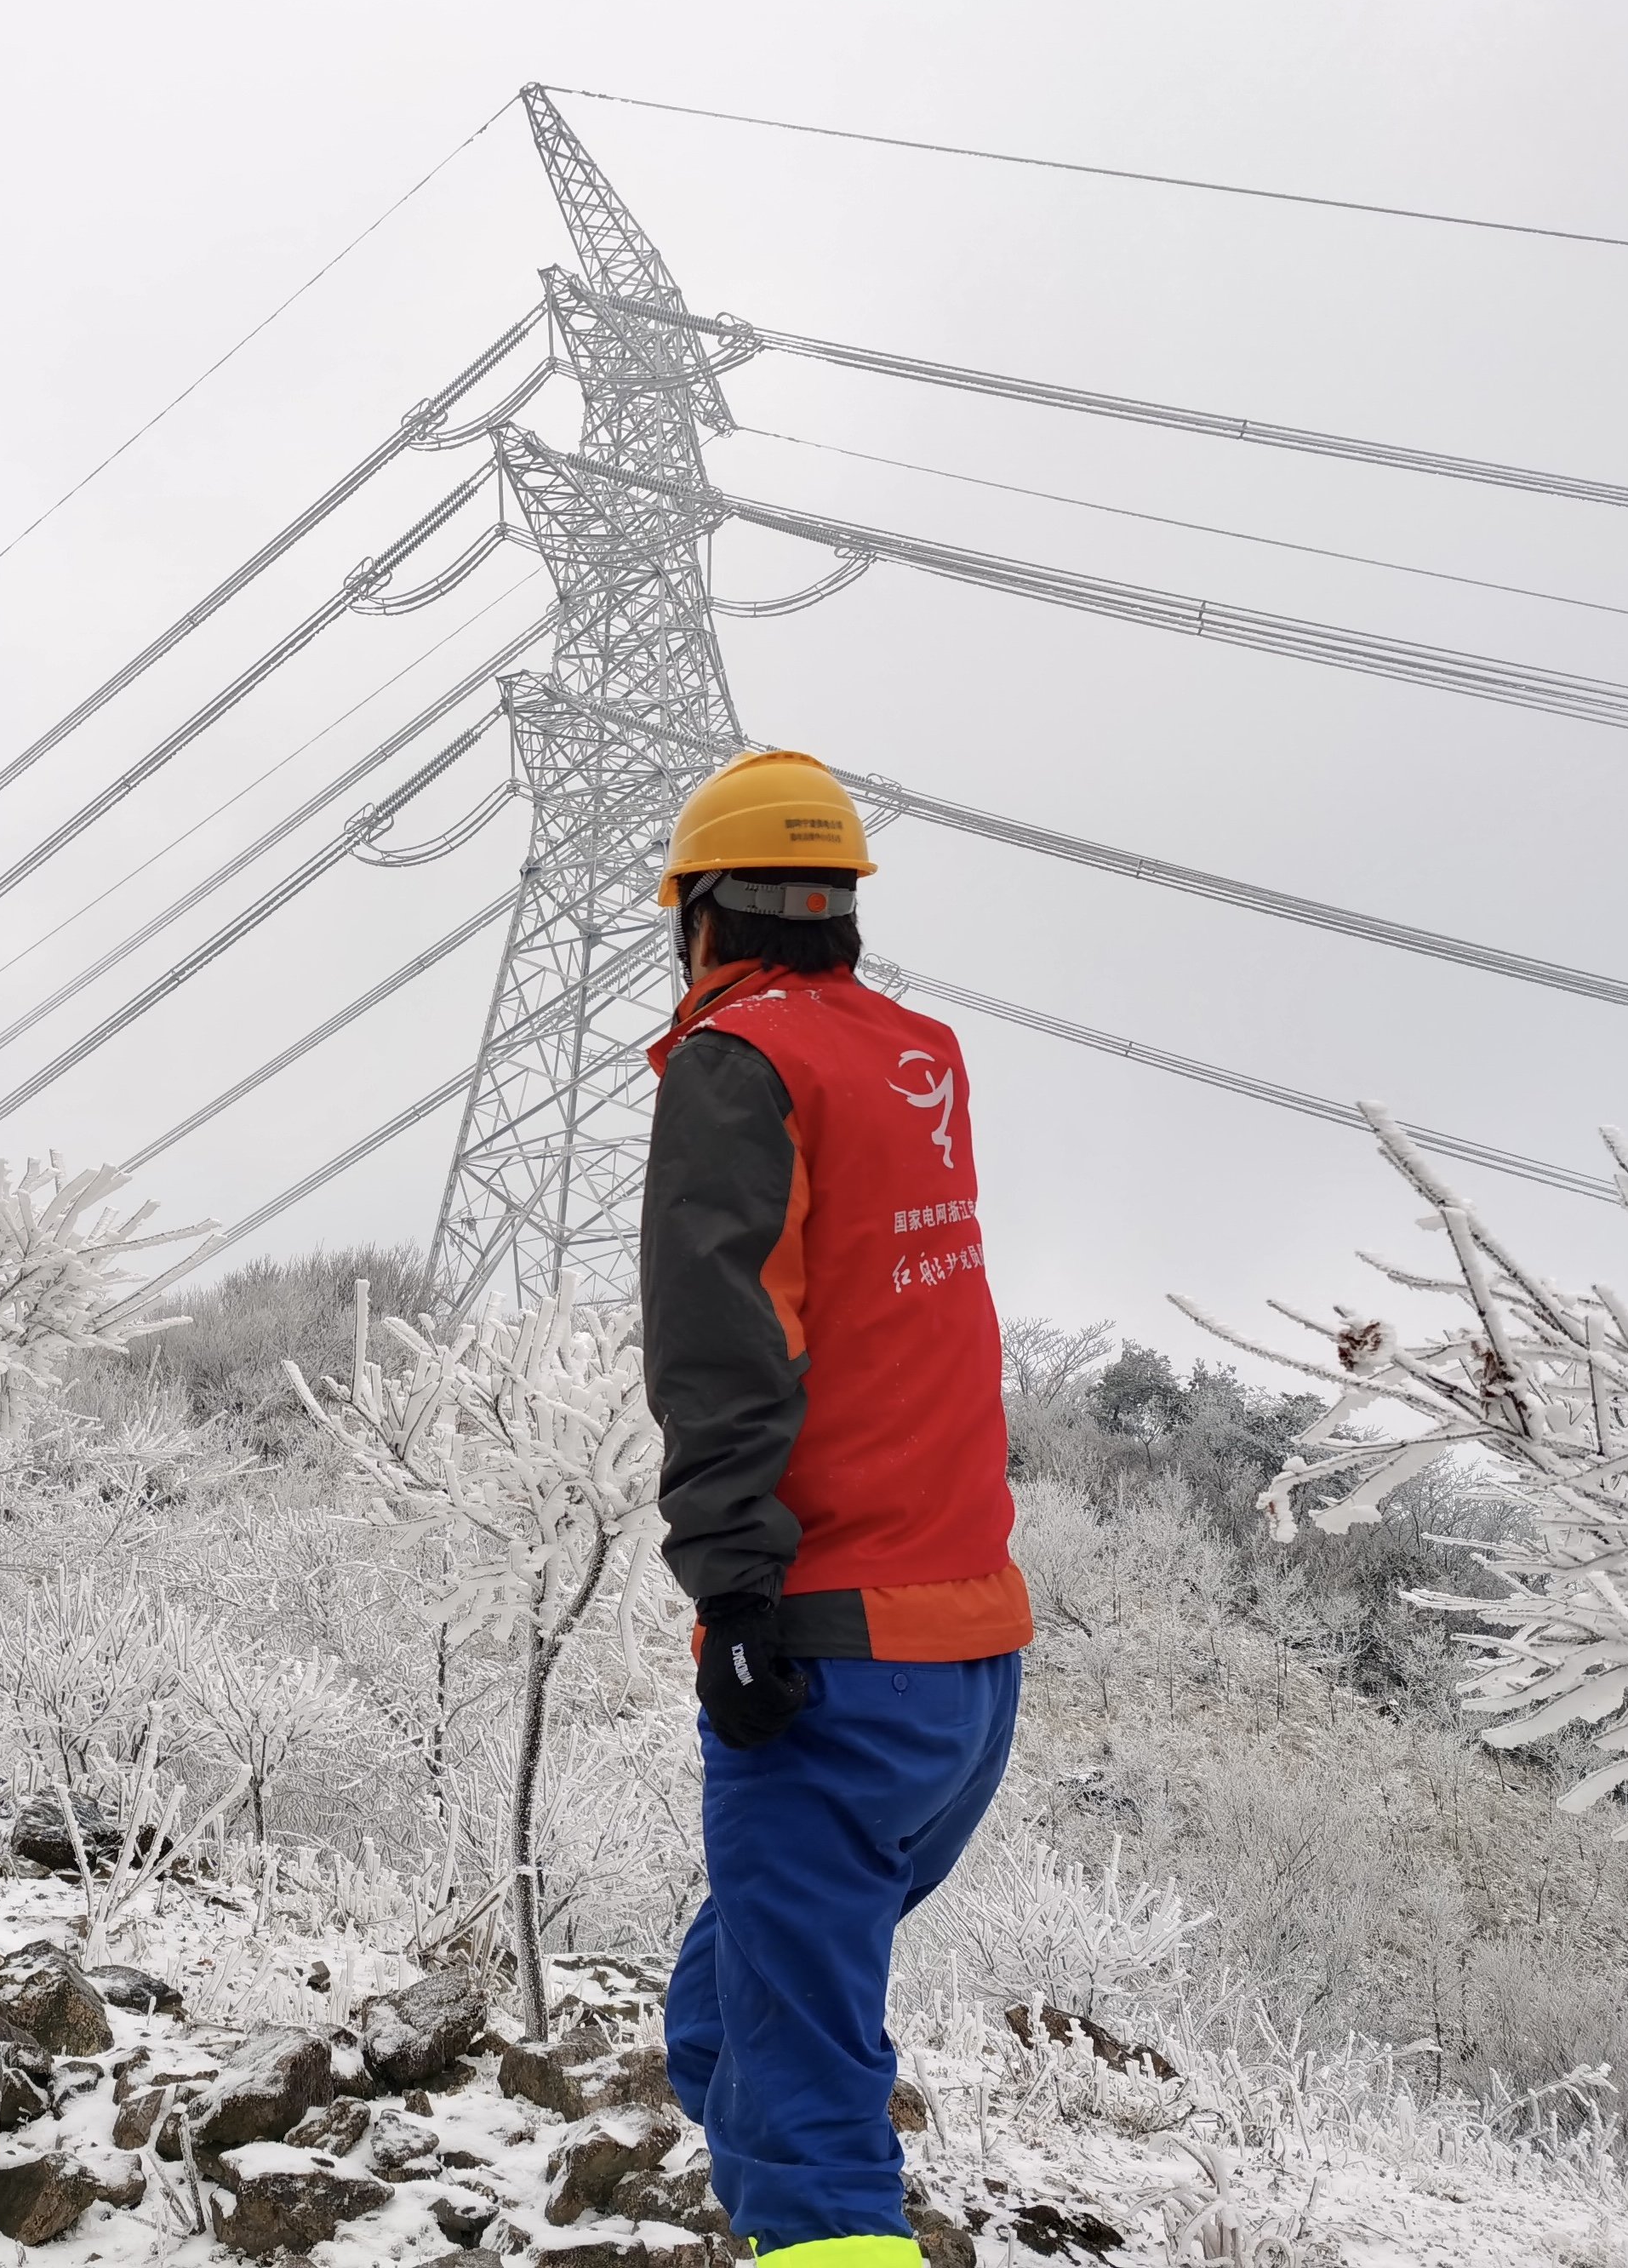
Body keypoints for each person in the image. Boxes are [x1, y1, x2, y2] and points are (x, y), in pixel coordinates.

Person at [638, 751, 1028, 2268]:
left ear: (701, 919)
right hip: (969, 1683)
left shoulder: (740, 1062)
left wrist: (735, 1594)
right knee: (721, 2030)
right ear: (844, 912)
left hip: (826, 1666)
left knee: (806, 2126)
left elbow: (719, 1344)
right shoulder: (916, 1060)